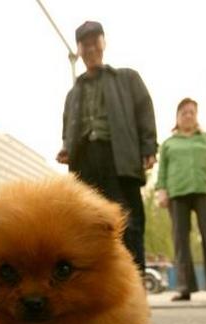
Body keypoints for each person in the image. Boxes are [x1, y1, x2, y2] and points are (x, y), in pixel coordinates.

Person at [57, 20, 157, 274]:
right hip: (84, 160)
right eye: (85, 44)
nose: (90, 49)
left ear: (103, 44)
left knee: (128, 218)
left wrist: (148, 147)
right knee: (87, 220)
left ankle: (135, 278)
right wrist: (67, 148)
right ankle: (99, 281)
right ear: (79, 50)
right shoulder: (73, 92)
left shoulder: (127, 78)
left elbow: (144, 111)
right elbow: (68, 124)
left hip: (119, 156)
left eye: (95, 42)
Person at [155, 98, 206, 302]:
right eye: (184, 113)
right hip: (177, 191)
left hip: (203, 188)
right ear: (177, 117)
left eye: (192, 112)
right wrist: (161, 190)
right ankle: (184, 287)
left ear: (196, 116)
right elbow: (161, 170)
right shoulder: (169, 144)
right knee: (180, 240)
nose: (188, 115)